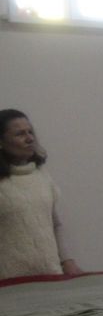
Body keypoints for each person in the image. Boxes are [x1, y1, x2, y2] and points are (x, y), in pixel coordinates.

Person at [0, 109, 82, 280]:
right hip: (9, 282)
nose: (29, 138)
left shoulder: (42, 176)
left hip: (50, 275)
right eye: (20, 134)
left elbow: (55, 224)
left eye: (30, 132)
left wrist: (67, 260)